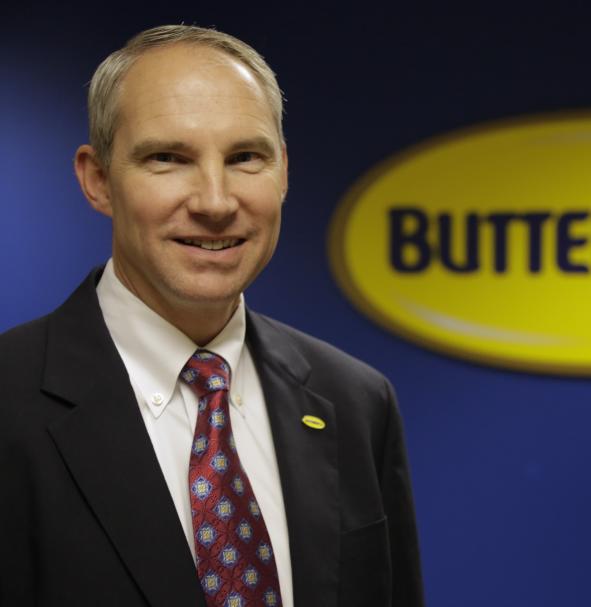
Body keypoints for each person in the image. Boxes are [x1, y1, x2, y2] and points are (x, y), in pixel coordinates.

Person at [0, 25, 423, 607]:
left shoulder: (355, 402)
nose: (216, 202)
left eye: (246, 157)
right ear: (97, 180)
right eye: (168, 159)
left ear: (284, 173)